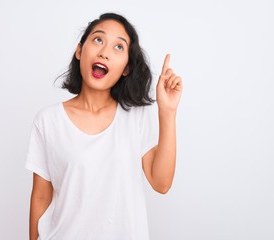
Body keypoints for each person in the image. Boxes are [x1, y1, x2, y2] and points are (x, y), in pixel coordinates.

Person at [25, 12, 183, 240]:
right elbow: (40, 197)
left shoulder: (135, 116)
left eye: (118, 47)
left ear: (126, 67)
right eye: (98, 39)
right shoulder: (48, 121)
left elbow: (161, 183)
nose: (105, 52)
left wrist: (167, 112)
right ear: (80, 51)